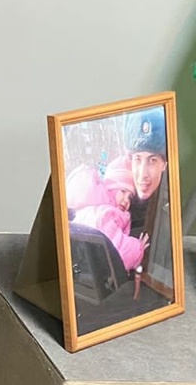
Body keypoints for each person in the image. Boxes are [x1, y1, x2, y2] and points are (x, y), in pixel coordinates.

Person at [69, 166, 149, 271]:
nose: (126, 200)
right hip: (97, 276)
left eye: (130, 198)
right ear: (111, 189)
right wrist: (138, 248)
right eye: (123, 191)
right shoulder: (106, 215)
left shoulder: (91, 209)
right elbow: (118, 253)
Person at [123, 107, 168, 237]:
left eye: (152, 160)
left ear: (164, 164)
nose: (143, 174)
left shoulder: (171, 208)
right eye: (137, 159)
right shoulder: (117, 199)